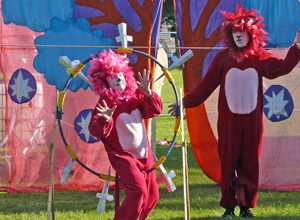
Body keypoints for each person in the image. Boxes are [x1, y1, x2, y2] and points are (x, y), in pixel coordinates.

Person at [169, 3, 300, 218]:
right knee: (228, 161)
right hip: (229, 122)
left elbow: (282, 68)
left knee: (250, 162)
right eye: (235, 33)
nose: (239, 36)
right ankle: (229, 207)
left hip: (252, 122)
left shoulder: (260, 57)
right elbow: (205, 86)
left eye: (243, 33)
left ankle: (246, 207)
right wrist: (185, 103)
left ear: (251, 34)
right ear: (230, 35)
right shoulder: (223, 59)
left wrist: (297, 48)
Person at [88, 49, 162, 220]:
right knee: (138, 190)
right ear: (105, 82)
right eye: (112, 76)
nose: (118, 78)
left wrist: (148, 93)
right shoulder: (106, 102)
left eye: (120, 74)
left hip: (144, 154)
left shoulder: (135, 94)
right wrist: (104, 119)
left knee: (152, 196)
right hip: (123, 156)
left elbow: (155, 109)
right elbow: (95, 130)